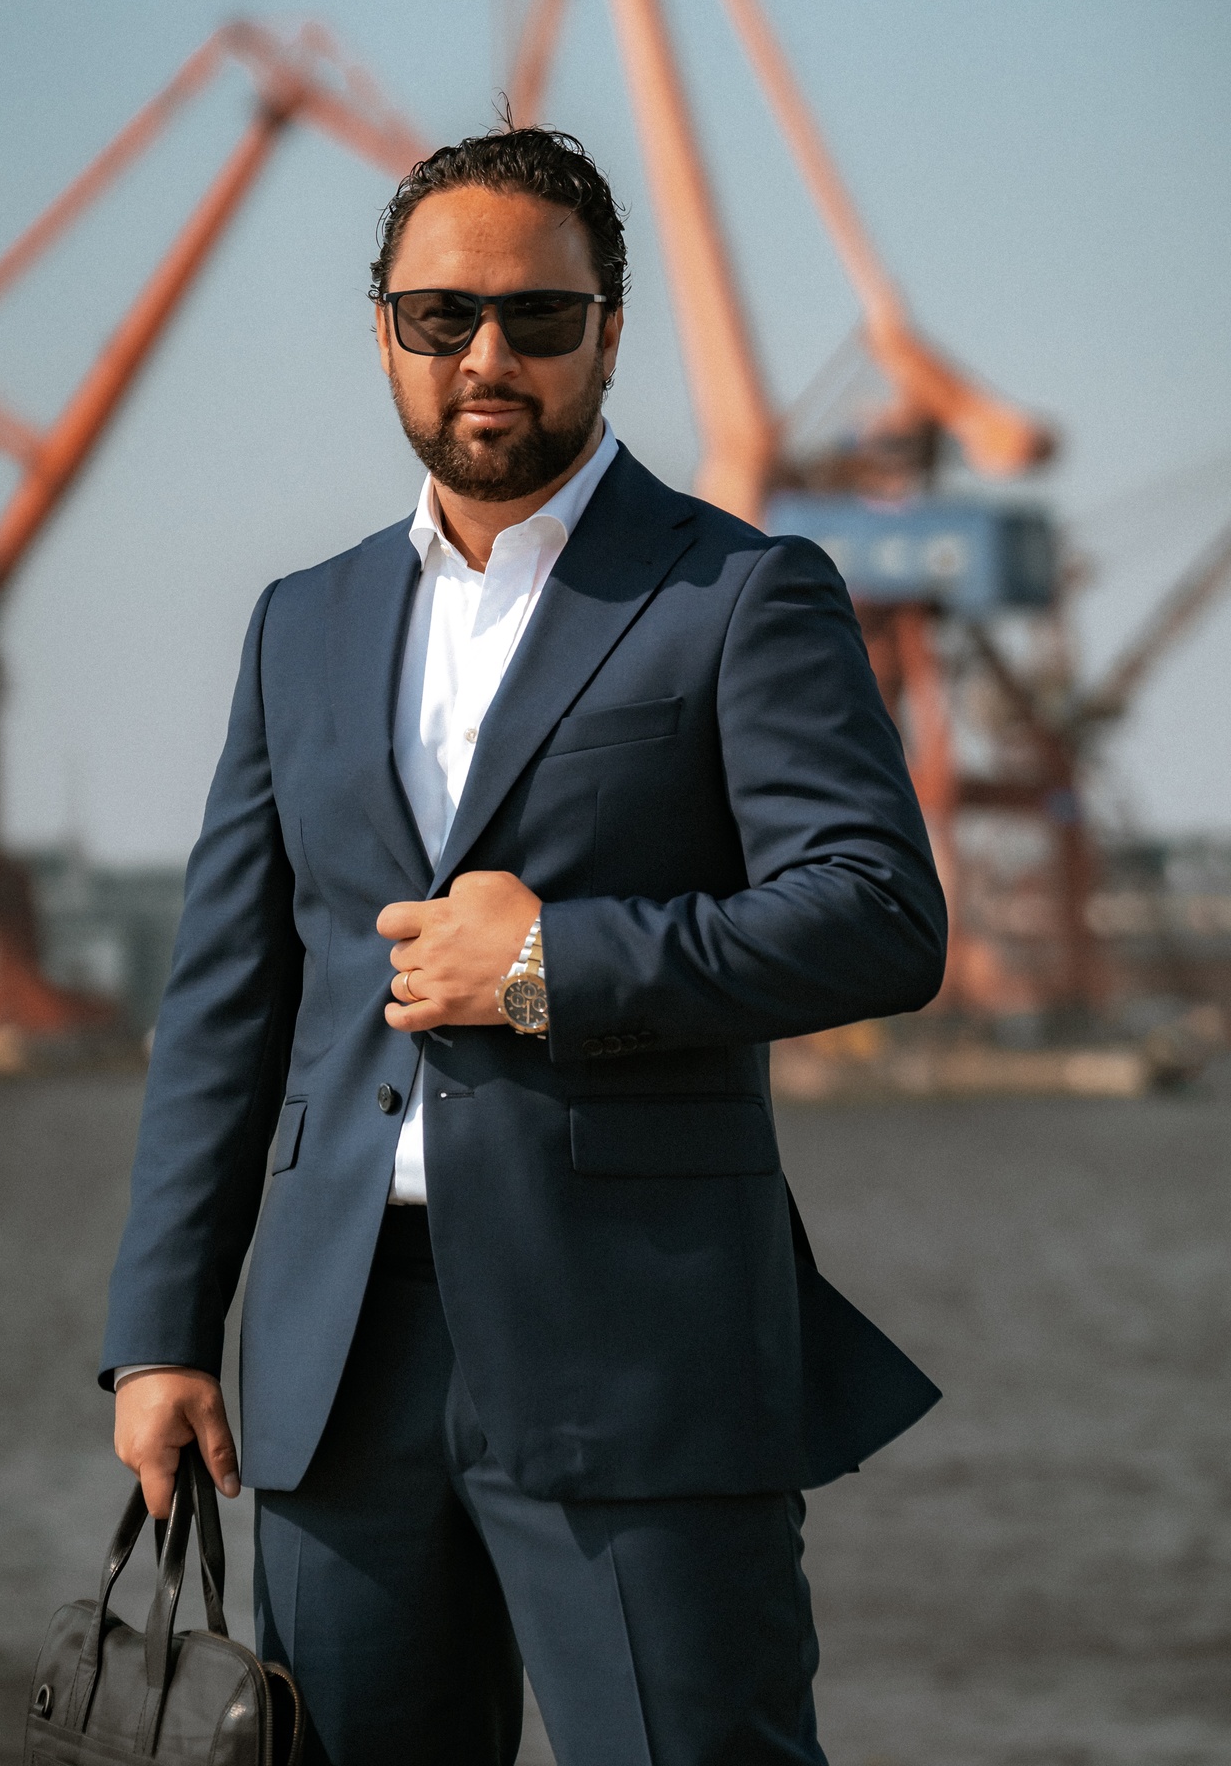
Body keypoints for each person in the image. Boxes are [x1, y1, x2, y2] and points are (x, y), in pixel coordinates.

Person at [103, 127, 946, 1766]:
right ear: (385, 334)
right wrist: (159, 1332)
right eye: (442, 316)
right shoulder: (301, 623)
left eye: (538, 317)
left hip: (636, 1347)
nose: (487, 356)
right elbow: (225, 1007)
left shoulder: (740, 593)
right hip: (338, 1362)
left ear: (609, 333)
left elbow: (879, 914)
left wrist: (552, 963)